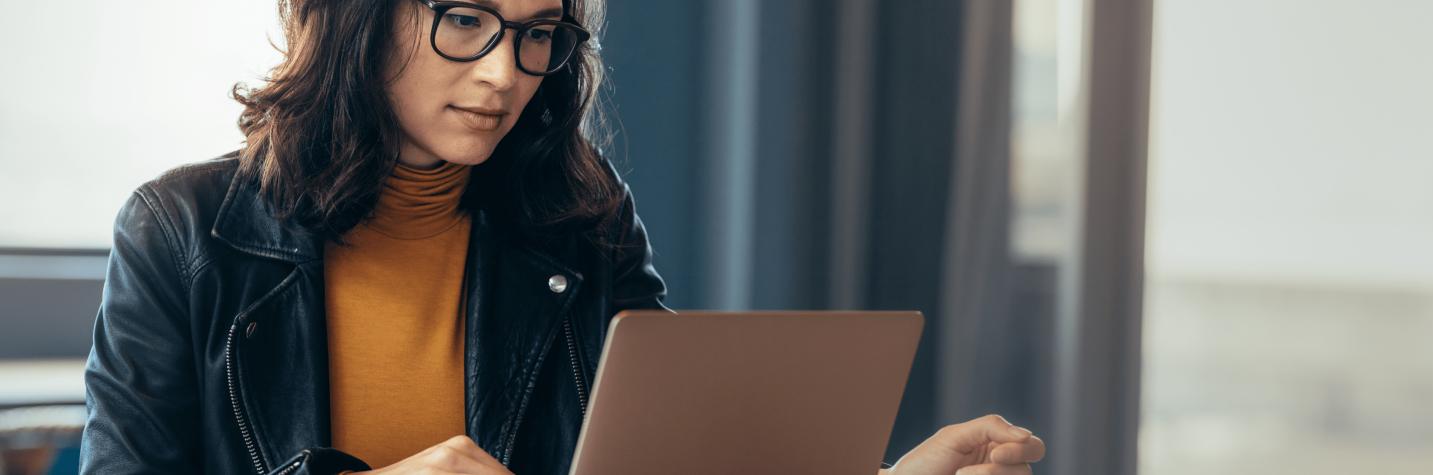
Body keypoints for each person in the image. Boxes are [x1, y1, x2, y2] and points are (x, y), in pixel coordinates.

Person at [78, 0, 1046, 474]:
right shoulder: (185, 226)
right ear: (355, 21)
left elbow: (673, 462)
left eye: (539, 33)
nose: (507, 70)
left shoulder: (579, 216)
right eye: (465, 19)